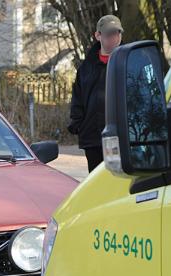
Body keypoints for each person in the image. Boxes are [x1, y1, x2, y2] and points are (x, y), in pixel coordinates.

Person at [68, 15, 124, 172]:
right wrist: (78, 124)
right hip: (92, 138)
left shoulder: (127, 62)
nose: (115, 38)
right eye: (109, 34)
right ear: (98, 35)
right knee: (96, 185)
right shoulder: (87, 67)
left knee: (119, 183)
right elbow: (77, 97)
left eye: (117, 33)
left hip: (121, 137)